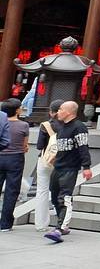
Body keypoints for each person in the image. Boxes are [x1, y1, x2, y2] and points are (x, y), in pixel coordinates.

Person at [44, 101, 92, 244]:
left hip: (70, 168)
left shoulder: (79, 127)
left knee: (64, 198)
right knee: (54, 196)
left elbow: (83, 147)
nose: (58, 112)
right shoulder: (61, 127)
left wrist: (86, 166)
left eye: (61, 109)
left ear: (69, 112)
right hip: (58, 166)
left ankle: (60, 228)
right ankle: (62, 223)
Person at [33, 100, 64, 232]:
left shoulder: (45, 125)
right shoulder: (69, 126)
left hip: (46, 160)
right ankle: (62, 222)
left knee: (42, 191)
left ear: (51, 112)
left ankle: (41, 224)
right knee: (62, 191)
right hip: (62, 161)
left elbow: (40, 145)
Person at [0, 98, 29, 232]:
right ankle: (5, 224)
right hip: (15, 158)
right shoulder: (23, 125)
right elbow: (25, 146)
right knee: (12, 191)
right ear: (17, 110)